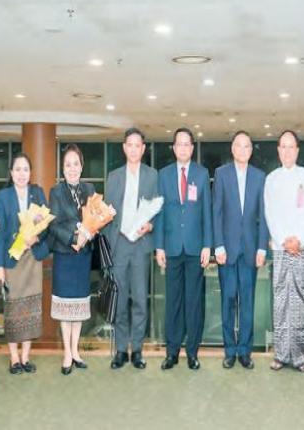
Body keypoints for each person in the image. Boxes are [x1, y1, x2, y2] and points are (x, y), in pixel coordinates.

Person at [154, 127, 213, 370]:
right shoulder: (164, 175)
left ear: (192, 147)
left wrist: (208, 244)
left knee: (194, 303)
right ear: (174, 147)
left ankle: (192, 352)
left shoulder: (201, 174)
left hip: (195, 247)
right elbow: (159, 213)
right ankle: (172, 352)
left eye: (187, 144)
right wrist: (159, 246)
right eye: (179, 144)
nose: (183, 148)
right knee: (173, 303)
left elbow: (207, 212)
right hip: (171, 249)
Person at [103, 128, 159, 370]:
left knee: (139, 300)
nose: (134, 149)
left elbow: (158, 208)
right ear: (124, 148)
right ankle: (120, 350)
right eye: (130, 145)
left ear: (143, 149)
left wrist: (151, 225)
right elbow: (107, 215)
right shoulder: (113, 176)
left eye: (138, 145)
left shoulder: (152, 176)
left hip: (141, 245)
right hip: (119, 245)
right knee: (119, 300)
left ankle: (136, 349)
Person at [212, 131, 269, 370]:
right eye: (239, 146)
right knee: (227, 300)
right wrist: (218, 245)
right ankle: (229, 351)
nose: (243, 150)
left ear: (251, 150)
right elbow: (216, 212)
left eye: (247, 146)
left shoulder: (260, 176)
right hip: (226, 250)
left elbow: (264, 216)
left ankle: (245, 351)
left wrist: (262, 247)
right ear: (232, 149)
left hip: (250, 250)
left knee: (247, 302)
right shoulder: (221, 174)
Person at [264, 130, 304, 372]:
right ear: (278, 150)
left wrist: (298, 239)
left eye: (291, 147)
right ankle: (281, 355)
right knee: (280, 300)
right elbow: (270, 213)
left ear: (297, 150)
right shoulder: (272, 179)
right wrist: (283, 240)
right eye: (283, 147)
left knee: (299, 300)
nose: (287, 151)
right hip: (280, 248)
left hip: (301, 247)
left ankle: (300, 357)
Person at [0, 153, 50, 375]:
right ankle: (14, 358)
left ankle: (25, 357)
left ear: (30, 172)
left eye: (25, 169)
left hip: (32, 259)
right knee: (13, 309)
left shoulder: (37, 193)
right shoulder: (3, 196)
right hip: (12, 260)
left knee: (31, 310)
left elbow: (46, 224)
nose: (21, 174)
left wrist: (37, 237)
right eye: (17, 169)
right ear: (11, 172)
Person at [48, 144, 96, 375]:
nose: (72, 168)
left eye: (76, 164)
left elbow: (96, 217)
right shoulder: (56, 192)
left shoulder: (89, 189)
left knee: (78, 307)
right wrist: (74, 238)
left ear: (81, 166)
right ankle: (67, 353)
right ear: (63, 168)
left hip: (83, 257)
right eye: (68, 165)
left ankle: (76, 350)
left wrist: (89, 234)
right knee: (65, 308)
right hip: (65, 256)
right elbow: (54, 225)